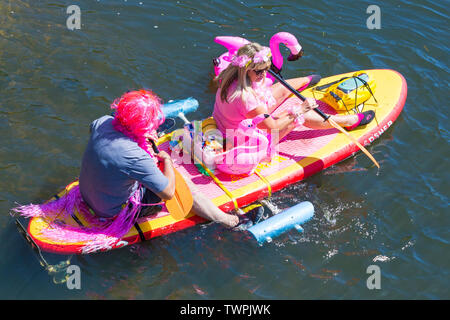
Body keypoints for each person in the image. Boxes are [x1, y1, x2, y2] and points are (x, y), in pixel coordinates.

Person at [79, 89, 239, 229]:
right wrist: (167, 161)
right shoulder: (137, 157)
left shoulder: (101, 122)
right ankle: (225, 220)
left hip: (87, 195)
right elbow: (168, 193)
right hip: (113, 212)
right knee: (181, 182)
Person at [213, 42, 375, 150]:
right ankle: (349, 121)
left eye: (266, 69)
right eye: (259, 71)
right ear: (246, 69)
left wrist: (259, 74)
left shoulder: (228, 75)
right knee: (297, 115)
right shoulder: (247, 98)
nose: (264, 74)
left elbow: (255, 98)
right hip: (243, 142)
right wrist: (301, 110)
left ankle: (306, 80)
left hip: (226, 125)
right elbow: (273, 127)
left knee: (270, 91)